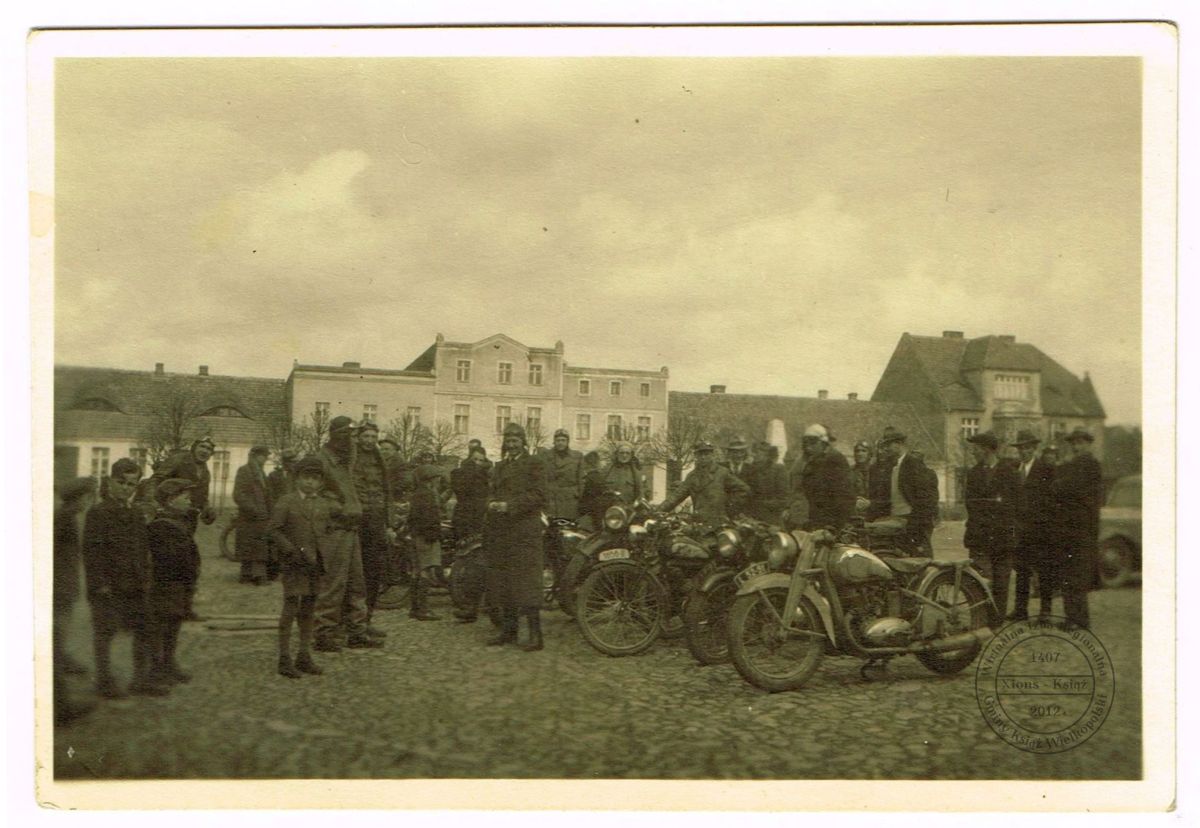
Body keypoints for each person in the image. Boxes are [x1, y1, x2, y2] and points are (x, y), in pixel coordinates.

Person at [82, 458, 167, 698]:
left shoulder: (135, 513)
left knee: (144, 629)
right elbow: (92, 552)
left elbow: (141, 548)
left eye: (132, 484)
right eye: (122, 482)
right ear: (110, 482)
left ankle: (140, 680)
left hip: (134, 583)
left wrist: (145, 576)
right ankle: (104, 681)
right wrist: (100, 584)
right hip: (108, 586)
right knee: (105, 632)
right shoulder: (98, 513)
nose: (126, 489)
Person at [313, 416, 382, 652]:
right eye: (348, 435)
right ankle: (323, 633)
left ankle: (357, 632)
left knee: (356, 584)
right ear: (336, 435)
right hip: (335, 530)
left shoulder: (347, 460)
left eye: (354, 435)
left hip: (351, 528)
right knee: (333, 584)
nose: (352, 440)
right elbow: (315, 496)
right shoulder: (322, 460)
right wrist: (340, 509)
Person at [484, 422, 547, 651]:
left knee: (528, 583)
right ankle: (509, 632)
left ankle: (535, 636)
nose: (511, 445)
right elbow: (491, 491)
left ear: (523, 441)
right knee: (506, 582)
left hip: (525, 530)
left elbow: (539, 495)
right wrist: (490, 503)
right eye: (508, 441)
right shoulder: (499, 466)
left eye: (515, 440)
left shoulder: (534, 464)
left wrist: (509, 506)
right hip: (502, 531)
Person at [266, 455, 330, 678]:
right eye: (306, 478)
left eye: (315, 479)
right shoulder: (287, 501)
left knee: (310, 609)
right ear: (297, 479)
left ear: (321, 482)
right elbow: (273, 529)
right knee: (291, 608)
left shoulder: (323, 504)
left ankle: (304, 655)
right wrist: (290, 550)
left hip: (315, 564)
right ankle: (284, 658)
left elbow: (326, 531)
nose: (310, 483)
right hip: (295, 563)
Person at [147, 479, 203, 686]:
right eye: (185, 498)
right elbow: (170, 558)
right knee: (161, 628)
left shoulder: (179, 521)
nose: (190, 501)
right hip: (166, 586)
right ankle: (156, 669)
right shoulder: (161, 525)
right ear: (171, 500)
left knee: (174, 625)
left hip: (180, 585)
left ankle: (169, 664)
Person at [1047, 428, 1103, 629]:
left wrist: (1059, 486)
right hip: (1070, 528)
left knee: (1076, 575)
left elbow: (1065, 487)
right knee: (1069, 575)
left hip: (1080, 528)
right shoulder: (1075, 464)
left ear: (1089, 444)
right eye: (1074, 443)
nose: (1076, 446)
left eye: (1080, 443)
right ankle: (1072, 618)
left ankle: (1079, 620)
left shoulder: (1090, 465)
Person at [963, 431, 1019, 624]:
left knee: (1002, 582)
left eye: (976, 449)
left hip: (1003, 537)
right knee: (980, 580)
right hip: (980, 536)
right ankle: (982, 619)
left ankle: (997, 620)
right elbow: (970, 504)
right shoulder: (973, 474)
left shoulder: (1011, 473)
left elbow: (1018, 506)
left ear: (987, 449)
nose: (973, 453)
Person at [54, 477, 98, 724]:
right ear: (81, 498)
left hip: (63, 589)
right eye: (88, 496)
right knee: (54, 645)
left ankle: (61, 703)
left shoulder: (65, 517)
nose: (90, 501)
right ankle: (61, 708)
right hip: (59, 591)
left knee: (57, 643)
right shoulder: (64, 520)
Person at [352, 421, 396, 633]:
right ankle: (351, 621)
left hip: (376, 522)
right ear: (359, 438)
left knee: (373, 573)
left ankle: (366, 619)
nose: (369, 441)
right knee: (354, 575)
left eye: (373, 437)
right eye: (366, 437)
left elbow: (387, 493)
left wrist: (389, 523)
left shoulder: (380, 460)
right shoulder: (351, 458)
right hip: (357, 522)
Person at [862, 430, 936, 554]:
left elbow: (926, 501)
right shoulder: (892, 467)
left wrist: (915, 529)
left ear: (899, 444)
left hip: (912, 525)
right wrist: (870, 504)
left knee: (917, 563)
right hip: (896, 524)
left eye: (888, 445)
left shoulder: (913, 464)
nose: (885, 449)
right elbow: (888, 500)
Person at [1010, 429, 1056, 621]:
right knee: (1021, 571)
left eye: (1027, 448)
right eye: (1021, 448)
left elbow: (1051, 500)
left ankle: (1045, 611)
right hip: (1020, 531)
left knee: (1044, 570)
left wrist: (1044, 523)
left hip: (1040, 529)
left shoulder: (1045, 469)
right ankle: (1021, 610)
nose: (1024, 452)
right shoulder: (1015, 470)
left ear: (1034, 449)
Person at [658, 441, 751, 525]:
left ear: (712, 455)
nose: (703, 457)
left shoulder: (722, 472)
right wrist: (657, 511)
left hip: (720, 522)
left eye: (706, 454)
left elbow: (744, 489)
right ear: (696, 456)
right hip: (699, 522)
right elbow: (676, 496)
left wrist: (728, 508)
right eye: (700, 454)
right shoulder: (692, 476)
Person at [794, 424, 854, 532]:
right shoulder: (811, 462)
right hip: (815, 519)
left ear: (823, 443)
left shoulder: (835, 459)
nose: (808, 447)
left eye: (813, 443)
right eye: (806, 443)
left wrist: (836, 525)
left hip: (831, 522)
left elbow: (844, 495)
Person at [408, 465, 445, 621]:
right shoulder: (428, 495)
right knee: (426, 571)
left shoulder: (417, 494)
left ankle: (414, 608)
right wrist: (434, 535)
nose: (438, 480)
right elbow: (429, 519)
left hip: (417, 535)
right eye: (436, 478)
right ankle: (423, 610)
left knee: (417, 571)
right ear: (431, 479)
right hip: (427, 537)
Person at [234, 445, 274, 585]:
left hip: (261, 516)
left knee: (258, 546)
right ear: (255, 456)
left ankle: (251, 575)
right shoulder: (244, 471)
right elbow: (238, 494)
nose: (264, 459)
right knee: (250, 546)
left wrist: (269, 511)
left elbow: (266, 494)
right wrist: (253, 509)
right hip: (249, 516)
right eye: (263, 456)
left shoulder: (261, 473)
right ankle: (253, 576)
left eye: (265, 456)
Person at [542, 428, 584, 521]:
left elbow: (581, 479)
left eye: (563, 440)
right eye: (558, 440)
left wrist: (579, 498)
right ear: (554, 441)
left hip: (570, 501)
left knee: (569, 528)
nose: (560, 443)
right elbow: (542, 479)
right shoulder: (545, 456)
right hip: (552, 500)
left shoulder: (577, 456)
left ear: (567, 442)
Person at [450, 445, 491, 540]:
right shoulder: (458, 473)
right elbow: (460, 491)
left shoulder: (486, 475)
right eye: (475, 459)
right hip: (464, 515)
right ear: (469, 458)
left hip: (480, 516)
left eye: (481, 460)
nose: (478, 463)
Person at [746, 441, 788, 524]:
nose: (754, 455)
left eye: (757, 452)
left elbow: (783, 499)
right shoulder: (751, 470)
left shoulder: (778, 470)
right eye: (753, 452)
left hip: (772, 517)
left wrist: (762, 504)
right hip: (753, 517)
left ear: (767, 455)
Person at [600, 443, 642, 507]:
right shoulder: (607, 470)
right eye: (621, 453)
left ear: (631, 455)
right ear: (616, 454)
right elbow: (600, 488)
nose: (624, 455)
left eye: (627, 453)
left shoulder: (636, 473)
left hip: (628, 509)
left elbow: (640, 494)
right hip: (609, 509)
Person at [721, 437, 753, 516]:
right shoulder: (721, 468)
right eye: (734, 452)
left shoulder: (752, 469)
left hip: (746, 513)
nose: (738, 455)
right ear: (729, 453)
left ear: (745, 453)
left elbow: (754, 493)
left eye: (741, 452)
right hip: (724, 512)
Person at [578, 451, 607, 530]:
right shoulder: (600, 477)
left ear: (587, 464)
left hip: (590, 513)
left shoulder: (589, 478)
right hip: (599, 512)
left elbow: (585, 497)